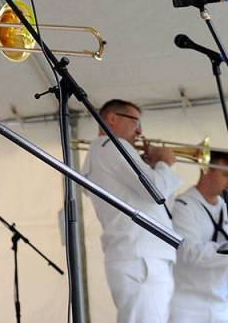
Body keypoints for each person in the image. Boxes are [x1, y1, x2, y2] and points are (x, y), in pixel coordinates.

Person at [81, 99, 182, 323]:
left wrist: (152, 167)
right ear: (112, 119)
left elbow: (159, 204)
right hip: (142, 258)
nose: (140, 131)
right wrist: (165, 163)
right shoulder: (112, 145)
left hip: (139, 256)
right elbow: (156, 191)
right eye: (136, 122)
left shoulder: (101, 153)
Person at [169, 151, 228, 323]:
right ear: (206, 170)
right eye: (226, 174)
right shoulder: (183, 206)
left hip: (221, 304)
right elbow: (189, 254)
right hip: (187, 306)